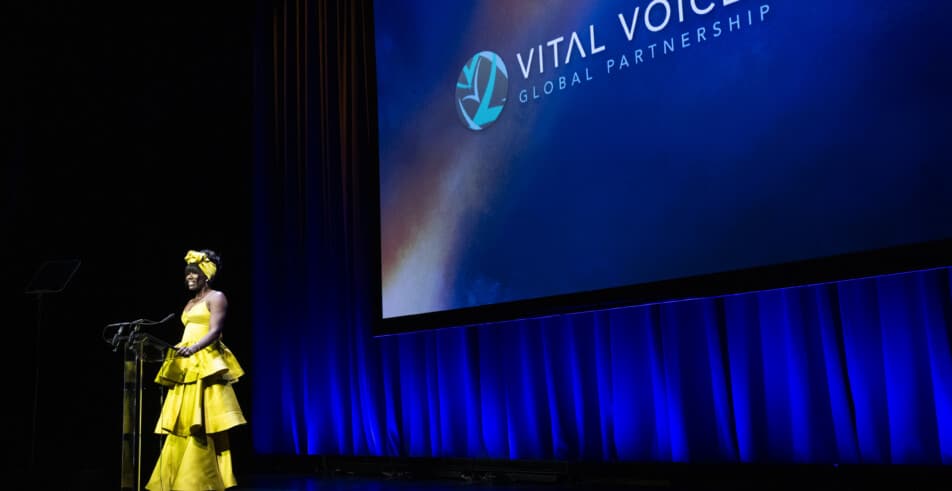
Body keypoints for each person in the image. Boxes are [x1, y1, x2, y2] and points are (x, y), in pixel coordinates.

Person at [146, 249, 247, 491]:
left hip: (206, 361)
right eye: (187, 274)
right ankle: (176, 477)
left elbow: (214, 331)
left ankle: (200, 481)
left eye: (194, 273)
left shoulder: (217, 297)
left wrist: (195, 349)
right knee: (183, 419)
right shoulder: (190, 302)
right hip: (187, 364)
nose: (189, 277)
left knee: (202, 421)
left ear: (207, 275)